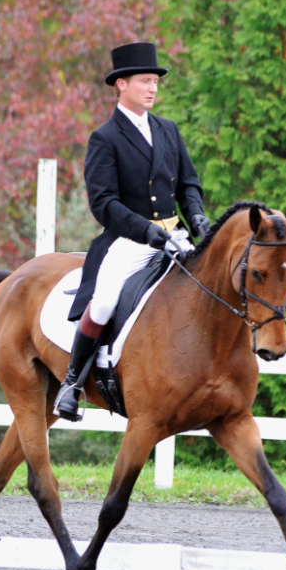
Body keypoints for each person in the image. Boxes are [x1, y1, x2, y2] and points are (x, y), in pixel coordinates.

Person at [54, 42, 209, 422]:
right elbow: (103, 204)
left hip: (175, 235)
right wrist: (145, 230)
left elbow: (188, 184)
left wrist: (199, 220)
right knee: (104, 301)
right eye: (144, 81)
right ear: (121, 85)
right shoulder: (105, 138)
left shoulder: (168, 130)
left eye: (155, 81)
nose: (152, 88)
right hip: (129, 240)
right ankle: (72, 383)